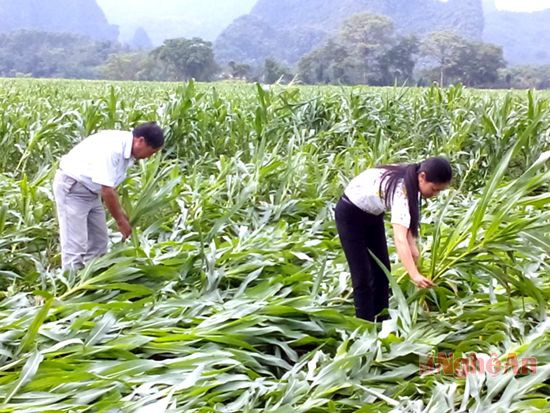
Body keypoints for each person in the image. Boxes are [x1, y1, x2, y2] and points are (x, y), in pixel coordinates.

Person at [335, 157, 452, 321]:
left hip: (373, 216)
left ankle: (382, 321)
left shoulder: (412, 178)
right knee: (362, 276)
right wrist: (414, 274)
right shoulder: (401, 189)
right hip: (350, 215)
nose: (434, 194)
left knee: (382, 271)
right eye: (434, 189)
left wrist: (414, 251)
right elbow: (399, 238)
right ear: (423, 176)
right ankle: (365, 327)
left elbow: (408, 223)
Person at [53, 122, 164, 271]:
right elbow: (107, 190)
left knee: (99, 242)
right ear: (141, 141)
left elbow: (110, 185)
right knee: (75, 244)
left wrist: (123, 215)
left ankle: (92, 280)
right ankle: (70, 286)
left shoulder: (128, 150)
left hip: (92, 192)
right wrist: (120, 221)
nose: (150, 157)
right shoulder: (114, 149)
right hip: (73, 189)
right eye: (151, 152)